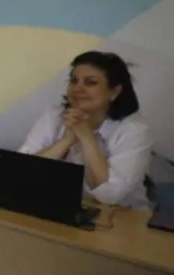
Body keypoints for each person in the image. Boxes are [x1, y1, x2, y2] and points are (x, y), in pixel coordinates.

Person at [19, 51, 152, 209]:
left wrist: (86, 137)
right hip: (62, 207)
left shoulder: (135, 131)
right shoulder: (54, 116)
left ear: (114, 92)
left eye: (90, 83)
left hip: (124, 216)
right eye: (74, 80)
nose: (77, 88)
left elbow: (110, 196)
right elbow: (20, 174)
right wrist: (65, 141)